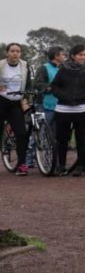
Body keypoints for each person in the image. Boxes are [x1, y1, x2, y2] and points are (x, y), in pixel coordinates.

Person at [50, 44, 85, 176]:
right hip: (63, 109)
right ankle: (61, 166)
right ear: (73, 56)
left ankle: (80, 166)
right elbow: (54, 87)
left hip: (82, 109)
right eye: (80, 54)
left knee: (82, 139)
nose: (83, 57)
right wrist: (63, 96)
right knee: (62, 139)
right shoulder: (63, 69)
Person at [0, 43, 31, 176]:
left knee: (21, 134)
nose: (15, 53)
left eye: (18, 51)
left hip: (16, 103)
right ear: (7, 53)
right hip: (1, 101)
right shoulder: (1, 65)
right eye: (12, 51)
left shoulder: (25, 65)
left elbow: (28, 82)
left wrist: (28, 95)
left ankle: (22, 164)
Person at [35, 46, 65, 124]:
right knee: (39, 132)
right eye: (63, 54)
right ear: (56, 56)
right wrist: (52, 87)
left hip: (58, 107)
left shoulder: (62, 69)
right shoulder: (43, 68)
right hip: (42, 106)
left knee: (54, 134)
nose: (64, 57)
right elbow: (37, 84)